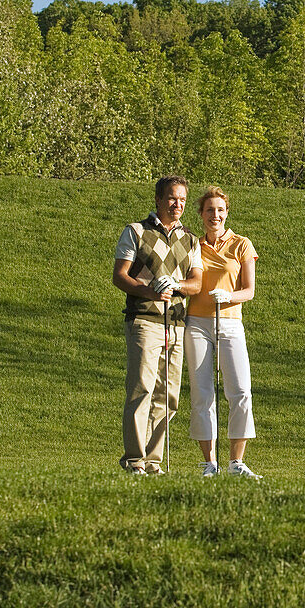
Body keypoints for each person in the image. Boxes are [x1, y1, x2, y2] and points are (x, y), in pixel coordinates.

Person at [112, 176, 203, 474]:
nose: (178, 205)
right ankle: (134, 460)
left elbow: (197, 282)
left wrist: (176, 284)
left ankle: (153, 462)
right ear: (159, 200)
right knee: (141, 389)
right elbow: (120, 276)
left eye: (183, 200)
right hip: (144, 321)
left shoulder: (190, 239)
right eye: (172, 199)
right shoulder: (136, 232)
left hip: (176, 323)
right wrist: (151, 291)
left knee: (168, 395)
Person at [184, 186, 262, 479]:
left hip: (229, 322)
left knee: (240, 391)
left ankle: (236, 462)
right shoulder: (193, 244)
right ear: (202, 214)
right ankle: (209, 463)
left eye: (220, 210)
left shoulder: (242, 244)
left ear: (226, 213)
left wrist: (227, 296)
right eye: (209, 210)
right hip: (198, 323)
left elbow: (249, 291)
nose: (214, 215)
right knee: (203, 394)